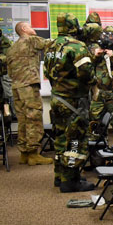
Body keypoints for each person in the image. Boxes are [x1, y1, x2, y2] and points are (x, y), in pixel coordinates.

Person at [43, 13, 96, 192]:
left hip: (57, 98)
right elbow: (87, 74)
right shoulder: (77, 46)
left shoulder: (51, 46)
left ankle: (60, 176)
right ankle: (71, 181)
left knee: (59, 138)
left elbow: (47, 73)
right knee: (75, 139)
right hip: (73, 101)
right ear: (74, 25)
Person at [5, 21, 53, 165]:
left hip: (16, 87)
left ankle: (24, 153)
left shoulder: (12, 48)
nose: (34, 29)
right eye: (31, 26)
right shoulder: (31, 40)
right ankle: (33, 154)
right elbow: (52, 44)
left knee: (22, 119)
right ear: (24, 29)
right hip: (29, 86)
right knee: (34, 117)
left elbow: (9, 71)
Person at [89, 26, 113, 132]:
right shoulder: (98, 54)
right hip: (99, 94)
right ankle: (98, 144)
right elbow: (88, 67)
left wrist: (112, 57)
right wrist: (96, 56)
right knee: (95, 122)